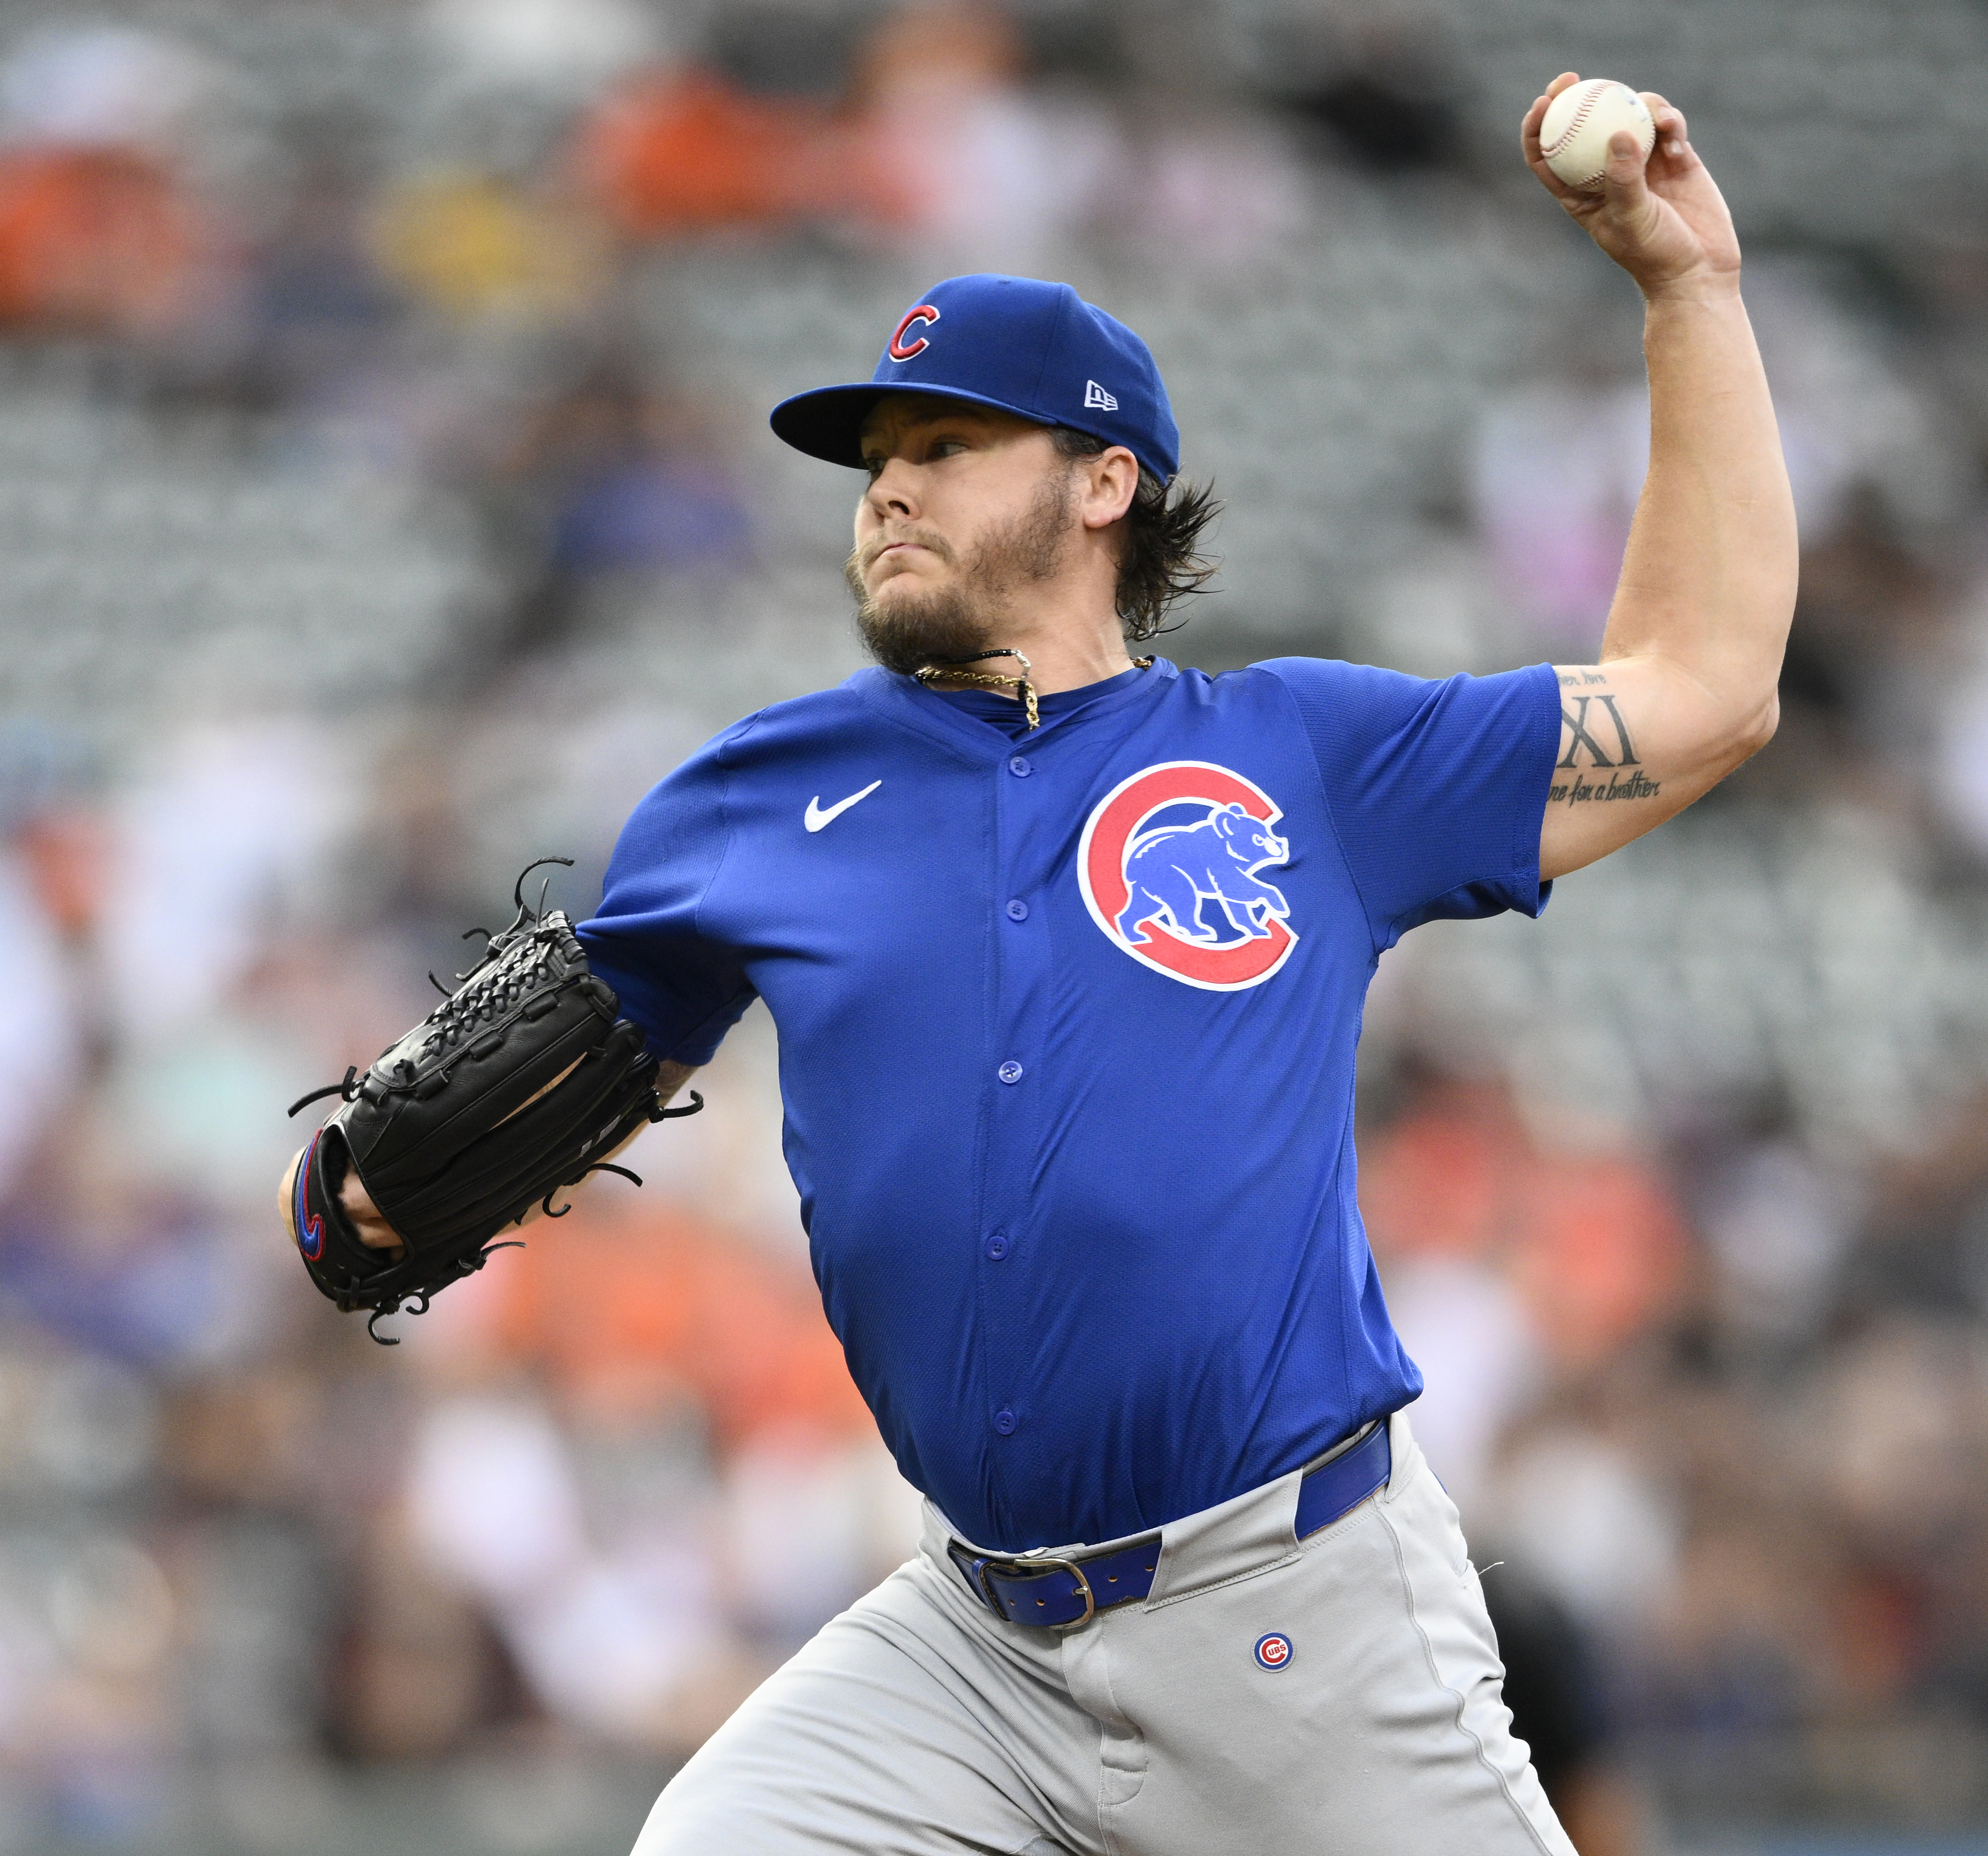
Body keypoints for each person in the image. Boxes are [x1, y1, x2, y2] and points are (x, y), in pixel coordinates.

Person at [327, 71, 1791, 1852]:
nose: (886, 493)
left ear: (1107, 480)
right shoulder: (765, 789)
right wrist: (369, 1190)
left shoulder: (1298, 757)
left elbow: (1706, 688)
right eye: (873, 465)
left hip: (1297, 1619)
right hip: (974, 1643)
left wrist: (1685, 293)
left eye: (942, 448)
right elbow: (537, 1072)